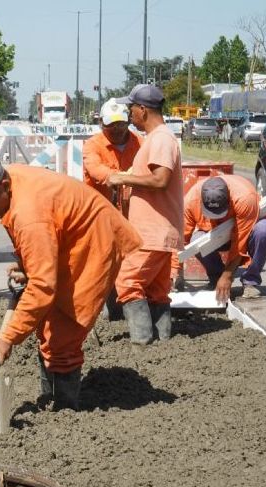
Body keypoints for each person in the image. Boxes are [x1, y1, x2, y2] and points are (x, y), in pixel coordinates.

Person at [0, 156, 142, 410]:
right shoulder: (9, 181)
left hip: (93, 240)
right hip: (67, 237)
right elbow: (39, 240)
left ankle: (65, 410)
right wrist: (27, 264)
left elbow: (43, 286)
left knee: (62, 333)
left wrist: (8, 337)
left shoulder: (29, 215)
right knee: (46, 323)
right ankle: (49, 399)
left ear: (4, 185)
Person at [106, 84, 184, 345]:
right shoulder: (157, 138)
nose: (129, 114)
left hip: (152, 230)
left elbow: (161, 180)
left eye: (131, 109)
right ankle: (162, 344)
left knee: (127, 281)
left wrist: (123, 179)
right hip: (159, 230)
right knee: (156, 290)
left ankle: (142, 343)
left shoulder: (161, 138)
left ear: (142, 110)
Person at [180, 175, 266, 304]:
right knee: (196, 240)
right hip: (215, 234)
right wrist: (175, 274)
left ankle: (250, 281)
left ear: (228, 201)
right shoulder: (191, 201)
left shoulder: (244, 198)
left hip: (246, 232)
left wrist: (228, 275)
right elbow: (181, 242)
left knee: (264, 230)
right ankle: (216, 278)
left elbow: (240, 242)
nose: (216, 217)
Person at [82, 98, 142, 210]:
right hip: (99, 211)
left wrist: (122, 178)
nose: (116, 129)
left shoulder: (141, 144)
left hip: (132, 212)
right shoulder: (92, 145)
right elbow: (96, 170)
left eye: (120, 124)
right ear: (101, 123)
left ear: (128, 121)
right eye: (111, 124)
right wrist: (124, 177)